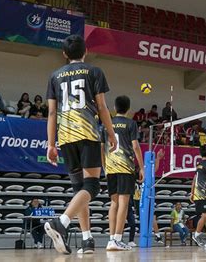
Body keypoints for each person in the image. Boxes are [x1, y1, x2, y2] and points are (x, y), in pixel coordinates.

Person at [44, 34, 117, 255]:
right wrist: (112, 134)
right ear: (85, 51)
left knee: (80, 189)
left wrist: (50, 144)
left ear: (64, 54)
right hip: (87, 134)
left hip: (65, 138)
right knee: (92, 187)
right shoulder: (94, 71)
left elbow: (52, 112)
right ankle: (62, 222)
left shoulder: (54, 75)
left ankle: (87, 240)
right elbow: (103, 107)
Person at [104, 95, 144, 251]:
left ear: (114, 108)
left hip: (110, 167)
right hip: (125, 168)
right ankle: (118, 239)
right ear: (128, 109)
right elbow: (135, 146)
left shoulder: (107, 124)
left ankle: (111, 239)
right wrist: (142, 167)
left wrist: (104, 166)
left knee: (114, 203)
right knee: (124, 204)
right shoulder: (131, 123)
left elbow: (102, 147)